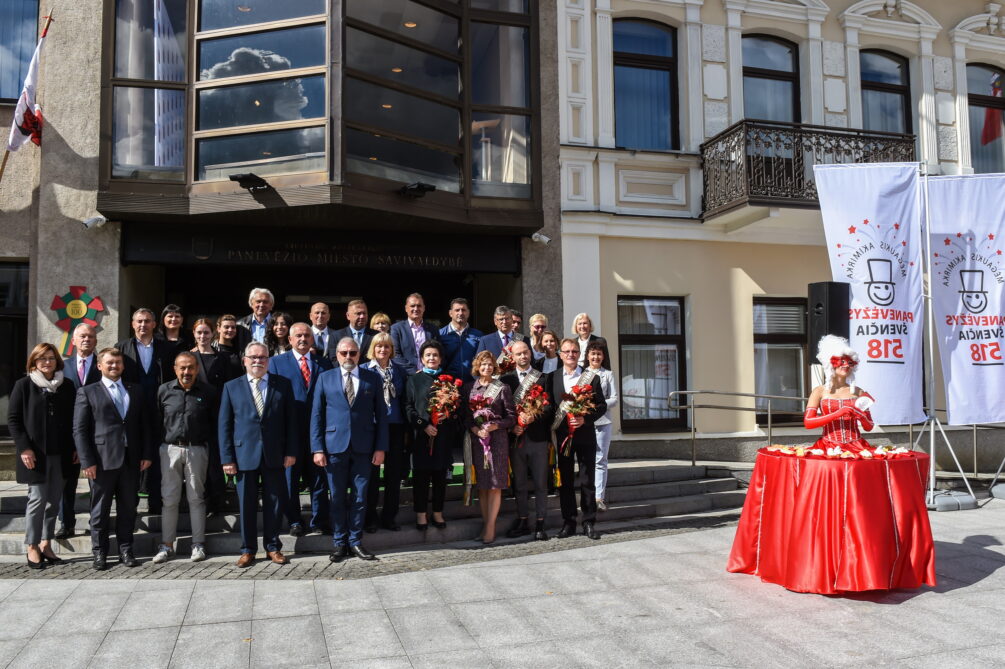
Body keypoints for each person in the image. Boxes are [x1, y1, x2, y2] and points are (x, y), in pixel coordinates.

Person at [73, 347, 154, 570]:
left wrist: (147, 454)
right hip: (101, 461)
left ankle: (126, 550)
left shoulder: (136, 390)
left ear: (123, 366)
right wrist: (87, 461)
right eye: (109, 362)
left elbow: (145, 425)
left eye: (118, 362)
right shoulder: (87, 392)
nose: (114, 366)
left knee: (128, 509)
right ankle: (99, 553)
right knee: (100, 511)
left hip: (131, 460)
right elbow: (79, 430)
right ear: (99, 365)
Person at [219, 342, 298, 568]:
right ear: (244, 360)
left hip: (275, 454)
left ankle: (273, 547)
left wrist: (291, 451)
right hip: (244, 455)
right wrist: (227, 458)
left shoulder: (283, 384)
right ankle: (248, 549)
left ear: (268, 361)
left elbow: (291, 422)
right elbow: (224, 425)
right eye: (253, 357)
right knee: (246, 505)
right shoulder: (231, 387)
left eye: (262, 357)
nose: (257, 361)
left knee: (274, 503)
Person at [311, 337, 388, 562]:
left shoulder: (372, 378)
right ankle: (339, 543)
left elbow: (381, 415)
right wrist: (317, 448)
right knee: (336, 497)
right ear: (336, 355)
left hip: (364, 447)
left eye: (352, 353)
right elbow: (317, 415)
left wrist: (381, 447)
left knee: (360, 497)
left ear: (359, 355)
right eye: (344, 353)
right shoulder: (325, 378)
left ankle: (355, 541)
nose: (348, 357)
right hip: (334, 447)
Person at [8, 343, 77, 569]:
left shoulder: (67, 386)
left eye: (51, 358)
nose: (47, 362)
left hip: (62, 453)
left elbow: (74, 419)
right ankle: (32, 545)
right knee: (37, 499)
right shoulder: (24, 385)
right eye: (42, 358)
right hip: (35, 454)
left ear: (57, 361)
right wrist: (24, 448)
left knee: (54, 501)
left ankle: (47, 543)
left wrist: (76, 447)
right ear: (34, 362)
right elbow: (14, 420)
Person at [268, 323, 333, 536]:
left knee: (319, 478)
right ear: (290, 339)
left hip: (318, 431)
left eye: (307, 335)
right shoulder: (276, 363)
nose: (303, 339)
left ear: (312, 339)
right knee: (290, 479)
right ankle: (294, 520)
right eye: (298, 336)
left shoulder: (324, 363)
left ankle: (319, 521)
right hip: (290, 432)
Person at [153, 352, 216, 564]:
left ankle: (198, 544)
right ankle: (167, 545)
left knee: (196, 498)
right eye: (182, 367)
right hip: (169, 450)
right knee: (169, 499)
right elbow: (157, 421)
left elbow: (213, 423)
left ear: (197, 369)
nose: (186, 372)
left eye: (190, 367)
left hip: (197, 450)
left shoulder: (208, 392)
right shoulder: (164, 391)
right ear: (175, 369)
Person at [117, 307, 174, 514]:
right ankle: (130, 506)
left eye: (147, 321)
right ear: (132, 324)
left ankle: (156, 503)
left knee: (157, 455)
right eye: (139, 321)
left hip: (159, 409)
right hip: (132, 409)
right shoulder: (122, 347)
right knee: (133, 454)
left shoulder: (166, 348)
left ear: (154, 324)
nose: (143, 325)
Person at [549, 338, 607, 541]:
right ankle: (569, 522)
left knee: (587, 480)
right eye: (567, 351)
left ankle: (589, 522)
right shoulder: (552, 377)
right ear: (560, 354)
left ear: (579, 354)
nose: (571, 355)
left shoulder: (591, 378)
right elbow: (550, 407)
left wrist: (585, 418)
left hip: (585, 435)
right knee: (565, 481)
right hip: (563, 437)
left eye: (574, 351)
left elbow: (601, 406)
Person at [500, 340, 552, 541]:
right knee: (519, 484)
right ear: (512, 357)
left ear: (530, 354)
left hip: (538, 439)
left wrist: (533, 416)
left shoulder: (542, 378)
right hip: (516, 439)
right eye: (518, 353)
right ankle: (523, 520)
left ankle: (540, 522)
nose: (523, 356)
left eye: (525, 352)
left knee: (540, 483)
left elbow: (549, 408)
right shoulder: (506, 380)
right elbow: (501, 409)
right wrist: (512, 426)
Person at [404, 341, 459, 531]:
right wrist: (424, 425)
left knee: (440, 476)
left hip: (442, 436)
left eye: (435, 355)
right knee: (421, 476)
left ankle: (437, 512)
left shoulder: (448, 381)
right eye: (427, 355)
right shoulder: (414, 380)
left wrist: (448, 414)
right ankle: (421, 513)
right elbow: (408, 407)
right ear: (421, 358)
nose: (431, 358)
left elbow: (457, 407)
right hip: (421, 436)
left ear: (441, 358)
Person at [463, 351, 515, 544]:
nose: (487, 368)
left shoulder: (502, 388)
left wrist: (495, 425)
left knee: (494, 485)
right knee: (483, 487)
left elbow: (511, 417)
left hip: (497, 442)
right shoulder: (470, 388)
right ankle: (486, 525)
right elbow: (466, 417)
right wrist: (476, 430)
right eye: (483, 364)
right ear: (477, 366)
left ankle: (491, 528)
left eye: (490, 364)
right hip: (478, 441)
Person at [57, 323, 101, 540]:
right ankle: (66, 523)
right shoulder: (62, 367)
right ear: (73, 341)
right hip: (68, 434)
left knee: (98, 484)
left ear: (96, 341)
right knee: (66, 482)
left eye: (90, 336)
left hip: (97, 433)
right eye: (82, 336)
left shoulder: (103, 366)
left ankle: (97, 523)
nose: (86, 339)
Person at [363, 332, 409, 532]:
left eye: (387, 346)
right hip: (372, 427)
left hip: (395, 426)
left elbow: (404, 398)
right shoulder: (363, 370)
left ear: (392, 349)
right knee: (371, 474)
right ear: (372, 349)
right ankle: (370, 518)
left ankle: (389, 516)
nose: (383, 350)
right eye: (379, 346)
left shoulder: (399, 371)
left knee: (393, 474)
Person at [191, 318, 236, 512]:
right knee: (196, 460)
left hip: (218, 413)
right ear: (194, 334)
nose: (203, 336)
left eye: (206, 332)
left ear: (213, 334)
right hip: (194, 413)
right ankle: (199, 499)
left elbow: (229, 386)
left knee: (215, 458)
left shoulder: (223, 358)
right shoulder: (188, 357)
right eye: (199, 332)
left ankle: (216, 500)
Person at [804, 336, 875, 453]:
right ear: (830, 363)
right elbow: (808, 423)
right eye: (842, 361)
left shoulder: (859, 392)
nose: (846, 365)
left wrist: (861, 416)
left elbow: (870, 426)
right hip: (828, 447)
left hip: (857, 447)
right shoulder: (819, 391)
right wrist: (838, 413)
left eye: (850, 362)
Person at [585, 339, 618, 511]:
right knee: (586, 460)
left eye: (599, 354)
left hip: (603, 421)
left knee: (600, 459)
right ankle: (587, 495)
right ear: (588, 356)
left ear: (603, 356)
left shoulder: (608, 374)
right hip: (585, 422)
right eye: (593, 354)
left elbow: (614, 399)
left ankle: (599, 497)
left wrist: (598, 405)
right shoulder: (582, 374)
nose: (596, 357)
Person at [439, 297, 483, 382]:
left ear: (468, 313)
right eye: (457, 310)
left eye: (463, 310)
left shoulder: (478, 335)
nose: (460, 313)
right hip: (448, 384)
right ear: (450, 313)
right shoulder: (441, 335)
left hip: (472, 383)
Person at [391, 293, 438, 372]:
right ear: (406, 308)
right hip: (406, 375)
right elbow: (395, 354)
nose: (416, 309)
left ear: (424, 308)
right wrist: (414, 371)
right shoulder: (396, 329)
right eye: (412, 306)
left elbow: (439, 352)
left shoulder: (433, 329)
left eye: (419, 306)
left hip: (430, 374)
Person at [333, 299, 377, 364]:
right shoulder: (336, 336)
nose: (362, 316)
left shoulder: (376, 336)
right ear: (348, 316)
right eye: (358, 313)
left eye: (364, 313)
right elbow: (334, 359)